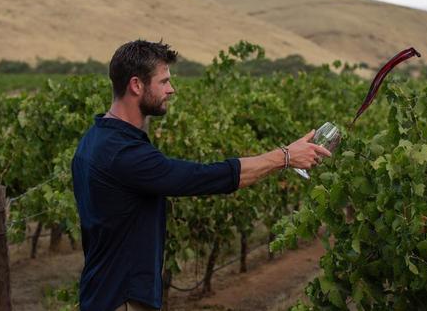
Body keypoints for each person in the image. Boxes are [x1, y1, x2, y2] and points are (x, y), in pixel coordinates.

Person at [71, 40, 331, 311]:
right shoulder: (124, 154)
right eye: (164, 82)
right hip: (121, 300)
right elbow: (203, 177)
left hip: (99, 293)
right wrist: (285, 157)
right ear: (136, 85)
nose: (172, 90)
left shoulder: (93, 140)